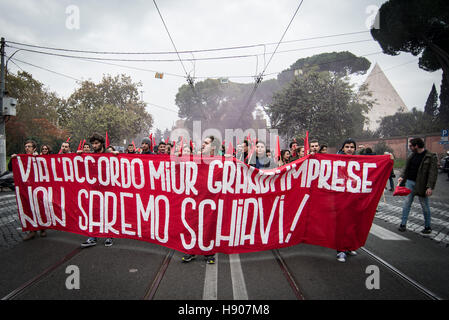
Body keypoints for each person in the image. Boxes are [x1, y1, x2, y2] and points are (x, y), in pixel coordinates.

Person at [182, 136, 219, 265]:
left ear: (213, 147)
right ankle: (191, 251)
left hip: (211, 201)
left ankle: (209, 252)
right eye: (203, 142)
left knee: (208, 225)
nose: (203, 144)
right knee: (192, 224)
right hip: (194, 199)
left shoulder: (221, 162)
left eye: (206, 143)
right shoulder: (194, 159)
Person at [80, 133, 117, 248]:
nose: (94, 146)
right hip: (95, 189)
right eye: (93, 144)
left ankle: (109, 235)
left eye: (96, 143)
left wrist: (116, 156)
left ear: (101, 144)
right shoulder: (90, 157)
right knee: (94, 212)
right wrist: (79, 157)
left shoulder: (109, 155)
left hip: (108, 188)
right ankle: (93, 237)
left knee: (108, 212)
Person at [398, 138, 438, 234]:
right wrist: (402, 177)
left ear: (416, 146)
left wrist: (429, 187)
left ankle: (427, 226)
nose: (410, 147)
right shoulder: (412, 155)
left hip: (422, 184)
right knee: (406, 203)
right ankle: (403, 224)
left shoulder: (430, 156)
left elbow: (433, 173)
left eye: (411, 146)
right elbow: (406, 167)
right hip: (409, 182)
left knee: (424, 205)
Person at [10, 140, 47, 240]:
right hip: (26, 189)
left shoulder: (39, 158)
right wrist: (12, 159)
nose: (27, 148)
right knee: (28, 208)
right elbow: (11, 168)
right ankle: (32, 230)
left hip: (38, 188)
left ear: (34, 148)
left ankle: (42, 229)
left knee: (40, 208)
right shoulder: (20, 158)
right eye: (26, 146)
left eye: (29, 146)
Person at [336, 138, 358, 263]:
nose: (349, 149)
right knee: (341, 224)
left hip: (353, 197)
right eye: (347, 147)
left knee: (352, 223)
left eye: (352, 147)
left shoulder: (359, 161)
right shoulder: (336, 160)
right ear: (343, 148)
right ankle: (340, 250)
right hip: (340, 198)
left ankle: (349, 246)